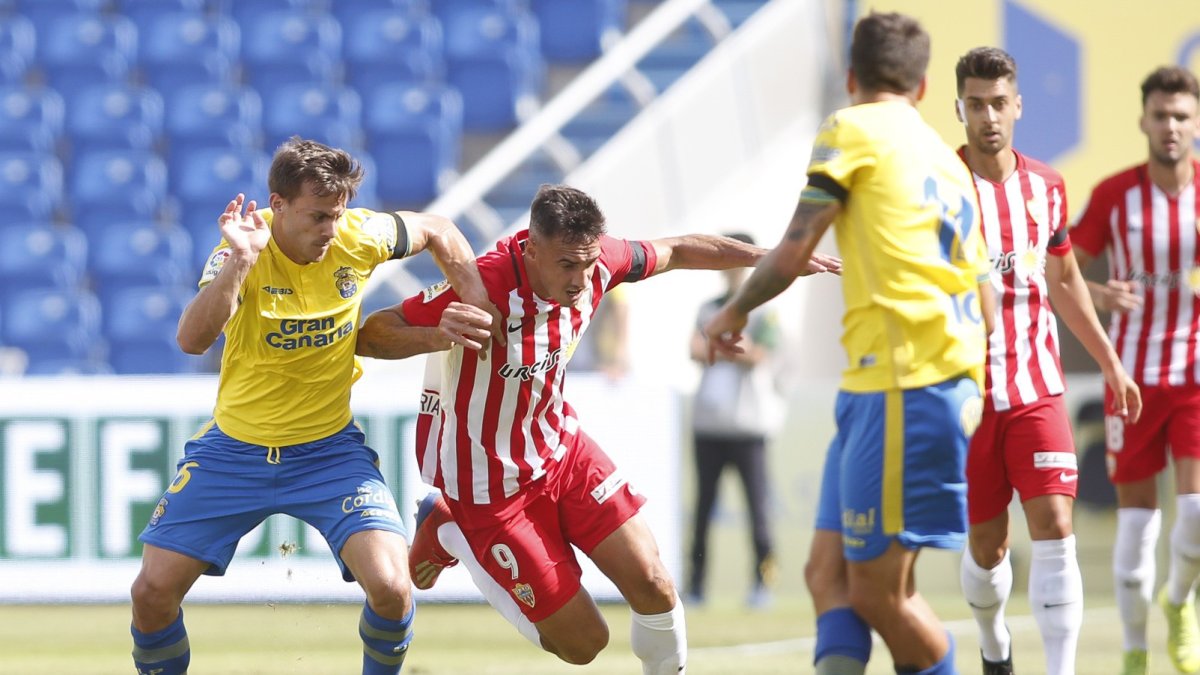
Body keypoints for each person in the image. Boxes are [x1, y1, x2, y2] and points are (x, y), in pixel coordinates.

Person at [355, 184, 840, 674]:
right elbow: (371, 335)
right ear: (531, 248)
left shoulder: (598, 262)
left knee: (654, 582)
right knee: (584, 644)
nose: (581, 279)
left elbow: (675, 250)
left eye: (587, 263)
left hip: (562, 452)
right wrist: (439, 334)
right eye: (566, 264)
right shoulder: (482, 283)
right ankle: (449, 527)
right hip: (487, 489)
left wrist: (769, 257)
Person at [128, 137, 498, 675]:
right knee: (151, 593)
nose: (329, 229)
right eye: (317, 216)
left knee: (393, 589)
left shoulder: (359, 236)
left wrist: (476, 298)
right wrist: (240, 260)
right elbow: (191, 339)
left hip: (329, 455)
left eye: (337, 214)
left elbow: (438, 227)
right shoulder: (243, 252)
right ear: (277, 205)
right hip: (234, 453)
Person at [703, 12, 994, 675]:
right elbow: (981, 288)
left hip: (908, 382)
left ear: (851, 75)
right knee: (824, 572)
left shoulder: (850, 127)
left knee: (878, 591)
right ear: (923, 88)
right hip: (889, 384)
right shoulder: (946, 165)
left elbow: (795, 247)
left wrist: (732, 313)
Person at [951, 46, 1143, 675]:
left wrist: (1111, 362)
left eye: (999, 104)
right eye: (976, 104)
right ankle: (994, 643)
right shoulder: (941, 186)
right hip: (969, 400)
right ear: (959, 108)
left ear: (1019, 106)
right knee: (987, 545)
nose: (989, 117)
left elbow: (1063, 280)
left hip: (1037, 388)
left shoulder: (1047, 188)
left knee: (1056, 523)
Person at [1070, 65, 1200, 675]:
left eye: (1181, 116)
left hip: (1192, 372)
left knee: (1195, 516)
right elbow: (1062, 268)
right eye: (1161, 115)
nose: (1170, 127)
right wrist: (1098, 293)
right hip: (1131, 378)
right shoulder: (1115, 194)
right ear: (1143, 121)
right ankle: (1132, 650)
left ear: (1194, 124)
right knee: (1136, 533)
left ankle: (1178, 603)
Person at [685, 232, 781, 609]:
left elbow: (760, 354)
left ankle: (764, 583)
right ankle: (695, 586)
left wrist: (717, 346)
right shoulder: (708, 308)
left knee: (758, 510)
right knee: (703, 510)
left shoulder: (763, 309)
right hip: (708, 424)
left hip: (749, 425)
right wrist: (728, 348)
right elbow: (693, 349)